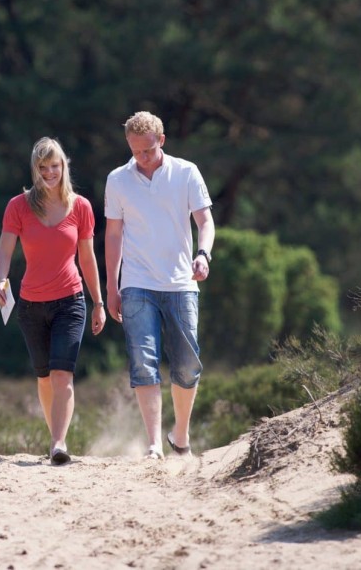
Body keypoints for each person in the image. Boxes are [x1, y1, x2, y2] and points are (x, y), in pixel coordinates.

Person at [104, 111, 214, 460]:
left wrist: (203, 254)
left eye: (148, 150)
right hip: (137, 282)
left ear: (161, 141)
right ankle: (153, 444)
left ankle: (179, 435)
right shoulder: (118, 180)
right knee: (143, 361)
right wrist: (111, 286)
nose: (142, 158)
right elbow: (113, 234)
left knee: (185, 364)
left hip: (181, 281)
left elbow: (205, 220)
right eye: (136, 151)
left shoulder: (186, 172)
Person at [0, 137, 106, 466]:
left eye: (54, 166)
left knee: (62, 375)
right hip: (30, 306)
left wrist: (98, 302)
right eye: (42, 168)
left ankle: (59, 443)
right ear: (35, 169)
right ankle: (54, 434)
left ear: (64, 166)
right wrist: (1, 279)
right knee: (43, 377)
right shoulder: (19, 206)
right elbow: (3, 252)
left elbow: (87, 259)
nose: (49, 173)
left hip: (70, 302)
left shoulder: (81, 207)